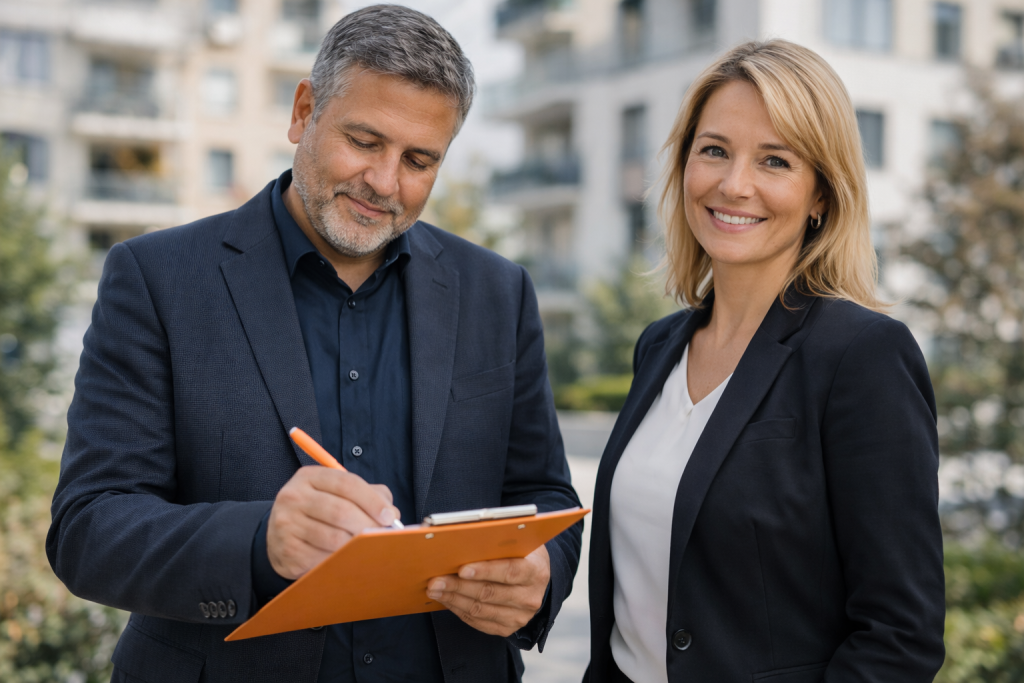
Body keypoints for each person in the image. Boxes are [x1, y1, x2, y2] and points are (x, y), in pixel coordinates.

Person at [47, 6, 581, 682]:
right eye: (364, 141)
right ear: (304, 111)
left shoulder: (498, 292)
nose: (385, 183)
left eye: (419, 160)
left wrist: (539, 577)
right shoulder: (157, 278)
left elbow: (548, 499)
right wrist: (260, 541)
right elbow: (89, 529)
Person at [585, 40, 945, 682]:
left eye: (774, 160)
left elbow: (900, 637)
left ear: (821, 197)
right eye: (714, 150)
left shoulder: (863, 357)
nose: (734, 184)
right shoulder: (659, 348)